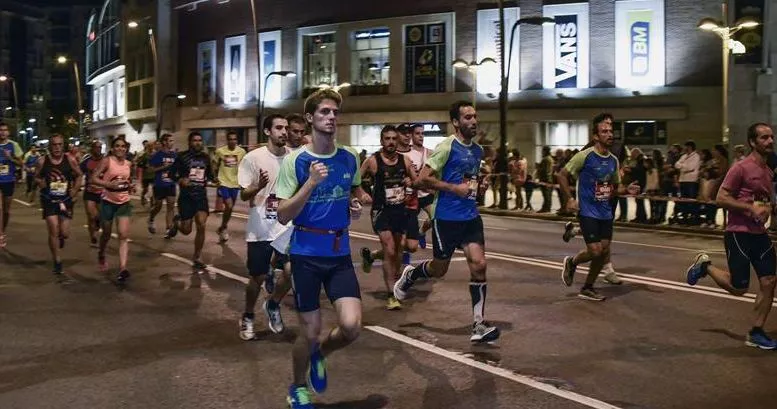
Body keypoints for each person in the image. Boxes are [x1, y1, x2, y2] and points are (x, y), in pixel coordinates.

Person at [276, 89, 371, 409]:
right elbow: (283, 213)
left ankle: (321, 354)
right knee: (310, 332)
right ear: (310, 118)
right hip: (305, 254)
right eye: (324, 112)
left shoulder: (348, 157)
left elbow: (351, 190)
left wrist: (354, 203)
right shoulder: (296, 161)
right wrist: (311, 183)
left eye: (334, 112)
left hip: (339, 253)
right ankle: (297, 386)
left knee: (351, 327)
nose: (331, 117)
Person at [393, 100, 500, 344]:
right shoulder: (446, 147)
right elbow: (422, 179)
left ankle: (479, 324)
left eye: (475, 116)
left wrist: (478, 186)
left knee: (479, 265)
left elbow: (469, 182)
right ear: (455, 122)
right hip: (446, 218)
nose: (474, 121)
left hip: (470, 217)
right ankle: (412, 274)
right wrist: (454, 188)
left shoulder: (477, 151)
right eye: (468, 118)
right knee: (439, 269)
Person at [686, 123, 777, 349]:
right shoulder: (741, 168)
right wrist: (748, 209)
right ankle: (705, 266)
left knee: (770, 281)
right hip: (738, 233)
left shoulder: (768, 171)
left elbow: (763, 200)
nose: (770, 141)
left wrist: (767, 209)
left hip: (760, 233)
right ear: (752, 142)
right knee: (739, 288)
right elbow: (720, 198)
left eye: (771, 137)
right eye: (764, 138)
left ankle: (756, 331)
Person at [557, 114, 639, 301]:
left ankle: (587, 286)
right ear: (595, 136)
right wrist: (569, 199)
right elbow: (561, 175)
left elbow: (615, 188)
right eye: (604, 131)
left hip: (606, 212)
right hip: (587, 211)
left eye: (610, 131)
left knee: (601, 253)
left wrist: (627, 189)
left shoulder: (613, 161)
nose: (609, 134)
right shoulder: (584, 156)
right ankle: (573, 262)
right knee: (595, 251)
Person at [238, 114, 291, 340]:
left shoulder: (294, 157)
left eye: (286, 128)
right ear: (268, 131)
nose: (284, 132)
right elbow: (243, 194)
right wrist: (257, 186)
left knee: (292, 271)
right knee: (257, 278)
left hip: (286, 226)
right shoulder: (253, 158)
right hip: (261, 226)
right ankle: (248, 316)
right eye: (279, 128)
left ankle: (273, 304)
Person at [359, 125, 416, 310]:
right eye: (387, 139)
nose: (391, 142)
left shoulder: (405, 160)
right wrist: (362, 194)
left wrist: (411, 182)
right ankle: (391, 294)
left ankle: (393, 282)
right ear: (381, 141)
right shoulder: (372, 161)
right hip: (381, 211)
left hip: (400, 210)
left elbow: (417, 181)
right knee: (390, 250)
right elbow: (355, 180)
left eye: (393, 139)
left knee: (399, 251)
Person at [34, 134, 83, 275]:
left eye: (60, 144)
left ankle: (61, 238)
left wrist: (74, 190)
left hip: (65, 200)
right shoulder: (42, 161)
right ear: (50, 146)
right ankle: (57, 260)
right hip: (49, 199)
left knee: (65, 233)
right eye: (54, 145)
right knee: (53, 230)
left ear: (63, 145)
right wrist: (40, 182)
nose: (57, 147)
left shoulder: (70, 160)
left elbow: (79, 175)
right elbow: (36, 176)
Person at [169, 132, 215, 272]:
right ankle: (177, 222)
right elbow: (171, 174)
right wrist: (180, 180)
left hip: (200, 196)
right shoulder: (182, 157)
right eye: (195, 140)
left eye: (200, 140)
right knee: (187, 230)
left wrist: (215, 180)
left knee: (201, 225)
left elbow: (210, 176)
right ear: (189, 142)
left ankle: (197, 257)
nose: (198, 143)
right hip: (186, 197)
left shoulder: (206, 158)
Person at [92, 137, 134, 283]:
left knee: (123, 235)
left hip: (124, 202)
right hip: (108, 201)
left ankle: (123, 268)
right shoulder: (107, 161)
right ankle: (101, 253)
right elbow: (94, 178)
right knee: (107, 234)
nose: (120, 149)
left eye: (123, 146)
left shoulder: (129, 163)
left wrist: (130, 186)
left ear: (126, 148)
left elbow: (129, 180)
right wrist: (109, 185)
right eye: (117, 146)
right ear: (112, 148)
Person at [214, 131, 247, 242]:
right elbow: (214, 163)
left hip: (235, 183)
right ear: (227, 140)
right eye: (230, 139)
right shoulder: (220, 151)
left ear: (237, 141)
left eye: (235, 139)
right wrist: (215, 177)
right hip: (223, 182)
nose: (233, 141)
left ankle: (223, 227)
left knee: (230, 208)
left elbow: (244, 166)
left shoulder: (241, 151)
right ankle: (223, 228)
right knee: (228, 205)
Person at [147, 133, 178, 238]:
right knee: (158, 206)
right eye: (170, 141)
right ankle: (151, 218)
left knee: (170, 206)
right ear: (164, 142)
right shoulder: (157, 155)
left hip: (171, 184)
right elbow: (150, 170)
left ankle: (168, 229)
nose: (172, 143)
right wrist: (162, 167)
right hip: (159, 184)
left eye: (173, 141)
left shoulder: (174, 155)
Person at [0, 121, 23, 247]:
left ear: (8, 132)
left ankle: (2, 232)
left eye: (5, 130)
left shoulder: (13, 145)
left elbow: (21, 164)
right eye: (1, 130)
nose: (3, 132)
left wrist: (10, 158)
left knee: (6, 210)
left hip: (8, 181)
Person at [80, 140, 105, 246]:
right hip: (89, 192)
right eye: (96, 147)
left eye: (100, 147)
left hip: (102, 192)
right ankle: (93, 238)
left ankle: (98, 222)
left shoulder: (105, 161)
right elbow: (78, 172)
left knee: (101, 217)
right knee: (91, 216)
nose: (98, 149)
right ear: (92, 148)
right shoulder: (86, 160)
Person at [135, 141, 155, 207]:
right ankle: (143, 196)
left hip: (153, 175)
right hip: (146, 175)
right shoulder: (144, 155)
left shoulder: (155, 154)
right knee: (145, 189)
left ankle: (152, 203)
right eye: (149, 146)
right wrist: (145, 166)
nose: (151, 147)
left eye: (152, 145)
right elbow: (139, 164)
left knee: (153, 189)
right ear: (147, 146)